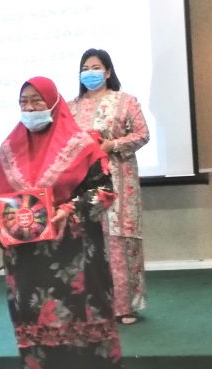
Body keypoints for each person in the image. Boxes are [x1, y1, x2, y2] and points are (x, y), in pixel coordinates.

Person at [0, 76, 133, 369]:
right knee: (36, 333)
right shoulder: (8, 148)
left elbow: (103, 192)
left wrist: (70, 209)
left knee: (78, 332)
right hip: (26, 263)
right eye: (24, 102)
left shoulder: (81, 145)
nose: (30, 108)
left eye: (37, 101)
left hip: (74, 259)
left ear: (53, 102)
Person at [68, 48, 150, 325]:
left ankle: (124, 307)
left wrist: (112, 144)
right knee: (87, 242)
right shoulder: (70, 107)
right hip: (83, 182)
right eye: (85, 68)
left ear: (108, 72)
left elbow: (142, 134)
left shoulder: (125, 101)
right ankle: (94, 306)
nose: (90, 72)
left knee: (118, 241)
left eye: (96, 67)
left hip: (119, 179)